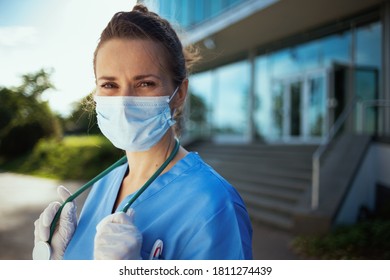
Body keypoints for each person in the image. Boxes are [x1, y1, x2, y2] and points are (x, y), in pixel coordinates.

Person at [33, 3, 253, 260]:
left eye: (145, 83)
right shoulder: (104, 184)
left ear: (179, 94)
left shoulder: (215, 205)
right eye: (109, 84)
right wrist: (55, 260)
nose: (124, 101)